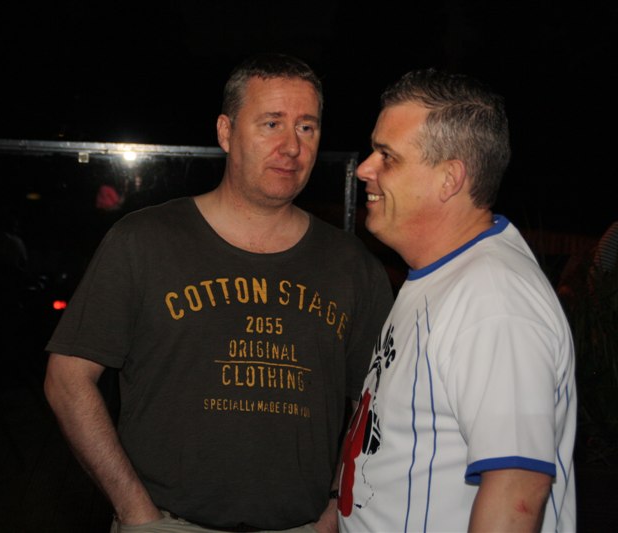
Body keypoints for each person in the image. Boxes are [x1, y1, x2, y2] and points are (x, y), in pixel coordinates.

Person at [43, 53, 394, 533]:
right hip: (168, 523)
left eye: (307, 128)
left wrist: (337, 508)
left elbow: (374, 406)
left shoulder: (353, 266)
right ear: (226, 132)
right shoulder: (145, 241)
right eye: (272, 123)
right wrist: (136, 511)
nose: (292, 146)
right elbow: (67, 379)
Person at [337, 68, 577, 532]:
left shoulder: (494, 300)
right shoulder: (446, 276)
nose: (365, 168)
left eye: (388, 157)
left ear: (449, 179)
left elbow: (516, 493)